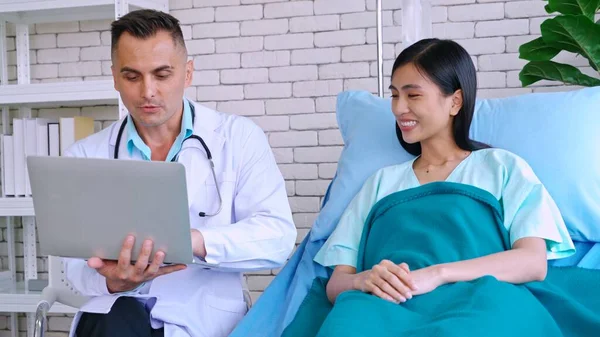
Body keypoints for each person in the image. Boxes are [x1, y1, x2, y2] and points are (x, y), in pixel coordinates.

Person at [62, 9, 296, 337]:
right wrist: (112, 280)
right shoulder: (85, 156)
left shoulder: (239, 138)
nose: (148, 92)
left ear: (187, 73)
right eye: (132, 77)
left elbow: (277, 237)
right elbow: (73, 266)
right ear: (115, 77)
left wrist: (196, 242)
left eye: (162, 74)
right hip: (115, 318)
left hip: (201, 317)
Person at [313, 38, 575, 304]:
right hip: (386, 306)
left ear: (455, 102)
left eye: (412, 95)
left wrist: (438, 274)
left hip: (481, 303)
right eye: (394, 95)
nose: (398, 108)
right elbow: (337, 283)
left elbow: (533, 262)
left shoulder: (502, 168)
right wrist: (362, 280)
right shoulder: (381, 182)